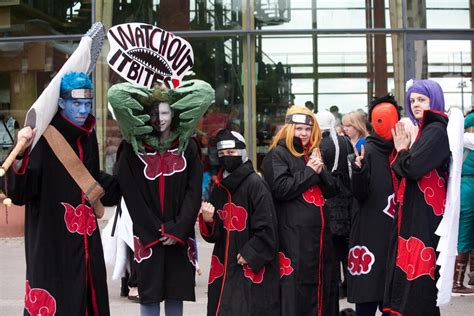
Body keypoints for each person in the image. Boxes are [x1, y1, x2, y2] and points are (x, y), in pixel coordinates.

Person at [7, 72, 120, 315]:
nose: (82, 110)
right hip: (51, 241)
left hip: (86, 240)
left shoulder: (87, 136)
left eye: (87, 103)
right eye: (76, 103)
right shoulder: (42, 138)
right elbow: (19, 193)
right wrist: (19, 153)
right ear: (61, 103)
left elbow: (91, 177)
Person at [108, 80, 214, 316]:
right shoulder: (132, 149)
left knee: (176, 291)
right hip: (148, 235)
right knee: (149, 291)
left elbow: (193, 191)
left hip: (179, 234)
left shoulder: (188, 147)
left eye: (165, 112)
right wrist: (154, 229)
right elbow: (131, 194)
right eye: (155, 113)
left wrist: (179, 228)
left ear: (174, 113)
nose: (161, 118)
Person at [261, 105, 338, 316]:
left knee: (322, 288)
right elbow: (281, 189)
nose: (303, 133)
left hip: (319, 241)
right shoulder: (277, 155)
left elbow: (332, 190)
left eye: (307, 129)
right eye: (298, 128)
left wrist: (319, 170)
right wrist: (310, 171)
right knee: (296, 292)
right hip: (293, 240)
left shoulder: (311, 154)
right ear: (288, 129)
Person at [384, 79, 451, 315]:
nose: (415, 105)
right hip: (417, 212)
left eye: (422, 99)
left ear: (434, 100)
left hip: (423, 216)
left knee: (419, 278)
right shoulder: (427, 129)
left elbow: (411, 168)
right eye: (412, 100)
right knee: (412, 275)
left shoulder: (436, 129)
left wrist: (402, 149)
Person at [198, 129, 280, 315]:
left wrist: (251, 253)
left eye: (231, 153)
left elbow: (268, 227)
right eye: (222, 154)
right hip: (224, 262)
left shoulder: (255, 184)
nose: (226, 157)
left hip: (246, 263)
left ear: (241, 152)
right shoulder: (219, 186)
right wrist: (208, 220)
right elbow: (214, 235)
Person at [347, 95, 400, 316]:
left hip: (397, 230)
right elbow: (359, 193)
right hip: (369, 230)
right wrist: (358, 171)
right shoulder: (366, 150)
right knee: (367, 294)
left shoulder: (403, 147)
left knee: (394, 295)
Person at [316, 110, 354, 299]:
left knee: (332, 244)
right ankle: (349, 282)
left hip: (329, 196)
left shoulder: (321, 144)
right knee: (345, 244)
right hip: (346, 195)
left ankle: (337, 284)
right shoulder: (345, 141)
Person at [453, 111, 474, 294]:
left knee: (468, 233)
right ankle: (457, 283)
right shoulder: (468, 139)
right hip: (469, 188)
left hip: (464, 187)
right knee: (466, 234)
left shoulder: (459, 140)